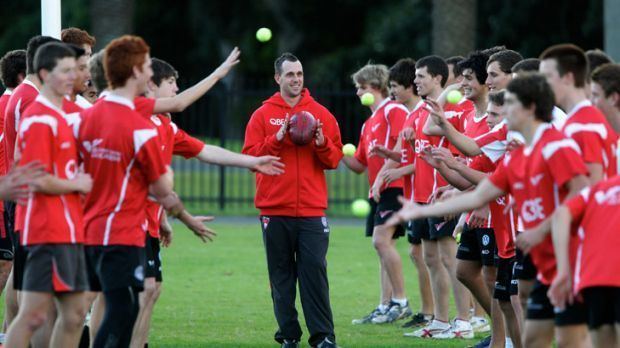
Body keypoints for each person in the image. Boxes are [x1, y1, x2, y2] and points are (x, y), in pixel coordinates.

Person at [388, 73, 591, 348]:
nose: (502, 113)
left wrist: (543, 231)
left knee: (575, 331)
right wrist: (419, 212)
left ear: (530, 108)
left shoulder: (557, 146)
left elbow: (583, 196)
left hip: (561, 251)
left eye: (510, 106)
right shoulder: (516, 152)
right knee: (528, 318)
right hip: (522, 245)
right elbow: (480, 195)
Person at [130, 57, 284, 348]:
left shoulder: (165, 126)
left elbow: (206, 151)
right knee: (139, 290)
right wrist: (218, 73)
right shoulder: (134, 114)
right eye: (171, 82)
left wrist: (253, 160)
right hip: (125, 223)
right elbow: (149, 181)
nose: (176, 87)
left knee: (153, 289)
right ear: (151, 84)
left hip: (149, 222)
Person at [77, 35, 215, 348]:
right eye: (147, 66)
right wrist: (184, 215)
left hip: (94, 229)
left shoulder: (87, 116)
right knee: (121, 306)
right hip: (121, 232)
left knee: (97, 306)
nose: (151, 73)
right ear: (137, 74)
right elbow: (162, 188)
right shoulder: (138, 128)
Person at [242, 53, 342, 348]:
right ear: (277, 78)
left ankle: (323, 337)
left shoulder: (321, 113)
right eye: (290, 75)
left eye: (299, 74)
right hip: (274, 209)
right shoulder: (262, 115)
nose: (296, 79)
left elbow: (334, 159)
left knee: (314, 272)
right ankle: (288, 335)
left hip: (311, 211)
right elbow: (249, 158)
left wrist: (322, 144)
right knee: (281, 278)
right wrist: (279, 136)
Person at [4, 41, 93, 348]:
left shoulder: (60, 115)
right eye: (65, 70)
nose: (74, 76)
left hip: (66, 229)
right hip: (46, 230)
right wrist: (77, 184)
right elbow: (35, 178)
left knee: (74, 312)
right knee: (34, 316)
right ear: (45, 73)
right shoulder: (40, 117)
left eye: (75, 69)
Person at [343, 63, 411, 326]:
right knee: (384, 247)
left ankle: (401, 301)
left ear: (377, 88)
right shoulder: (368, 123)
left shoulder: (393, 110)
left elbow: (400, 147)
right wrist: (336, 148)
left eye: (362, 87)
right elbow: (359, 165)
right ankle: (385, 305)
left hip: (395, 187)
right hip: (379, 191)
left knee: (381, 241)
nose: (358, 93)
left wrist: (382, 177)